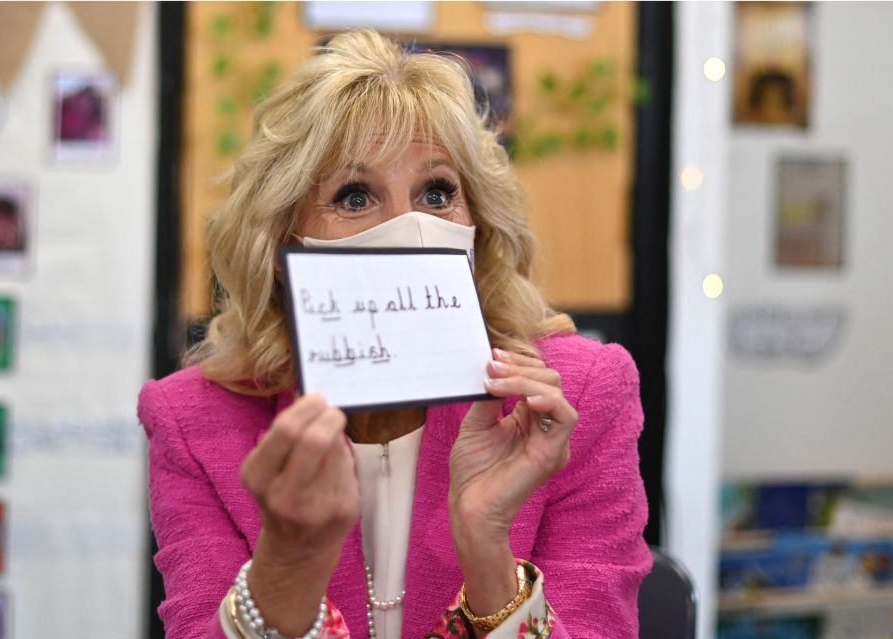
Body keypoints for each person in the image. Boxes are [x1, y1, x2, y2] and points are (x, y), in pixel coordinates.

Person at [139, 29, 650, 639]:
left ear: (478, 223)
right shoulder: (194, 421)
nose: (409, 227)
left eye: (438, 192)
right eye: (354, 197)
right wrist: (289, 563)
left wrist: (488, 550)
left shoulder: (576, 398)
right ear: (282, 248)